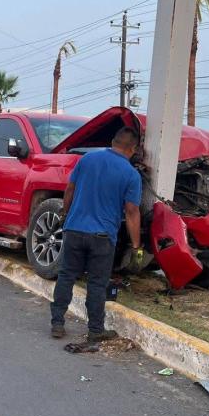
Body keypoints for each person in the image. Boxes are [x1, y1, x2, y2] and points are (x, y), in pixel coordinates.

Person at [50, 127, 145, 342]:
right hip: (102, 237)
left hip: (74, 230)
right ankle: (95, 330)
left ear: (113, 141)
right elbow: (132, 212)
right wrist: (136, 245)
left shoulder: (87, 159)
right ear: (133, 149)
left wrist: (66, 214)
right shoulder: (131, 174)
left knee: (66, 276)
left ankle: (57, 323)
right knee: (96, 284)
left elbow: (70, 190)